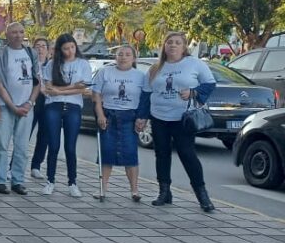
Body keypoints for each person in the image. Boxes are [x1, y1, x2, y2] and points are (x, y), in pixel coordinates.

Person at [137, 32, 216, 212]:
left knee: (187, 154)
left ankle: (202, 195)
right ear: (164, 46)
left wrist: (193, 92)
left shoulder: (194, 64)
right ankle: (164, 192)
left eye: (177, 43)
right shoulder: (155, 68)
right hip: (159, 117)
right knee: (162, 154)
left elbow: (210, 84)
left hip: (182, 118)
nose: (173, 45)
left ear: (184, 46)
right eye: (169, 42)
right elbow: (146, 93)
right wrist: (142, 117)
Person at [0, 23, 41, 195]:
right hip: (6, 107)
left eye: (21, 32)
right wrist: (12, 106)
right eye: (14, 32)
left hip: (27, 107)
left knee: (22, 147)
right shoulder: (0, 55)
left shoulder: (31, 53)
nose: (18, 35)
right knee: (2, 146)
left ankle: (18, 181)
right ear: (7, 35)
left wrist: (30, 103)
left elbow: (37, 81)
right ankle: (0, 180)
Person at [93, 46, 147, 202]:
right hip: (109, 115)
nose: (123, 57)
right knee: (106, 153)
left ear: (134, 58)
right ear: (115, 57)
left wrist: (142, 118)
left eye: (128, 54)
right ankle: (102, 189)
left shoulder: (140, 76)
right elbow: (96, 95)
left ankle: (134, 190)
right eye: (120, 54)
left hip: (129, 117)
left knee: (130, 153)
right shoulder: (105, 72)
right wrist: (100, 115)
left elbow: (145, 99)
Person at [40, 34, 91, 197]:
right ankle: (50, 181)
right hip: (53, 106)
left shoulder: (83, 64)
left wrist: (60, 90)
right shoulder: (52, 64)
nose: (70, 51)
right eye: (66, 48)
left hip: (73, 106)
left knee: (70, 147)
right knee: (53, 145)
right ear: (60, 50)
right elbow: (49, 89)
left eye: (72, 47)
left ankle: (72, 182)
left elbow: (82, 88)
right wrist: (71, 87)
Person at [30, 37, 51, 179]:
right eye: (37, 46)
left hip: (48, 101)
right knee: (25, 134)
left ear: (48, 50)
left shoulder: (53, 65)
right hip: (32, 99)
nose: (40, 49)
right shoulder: (29, 64)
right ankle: (13, 166)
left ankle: (36, 166)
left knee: (44, 135)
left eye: (43, 46)